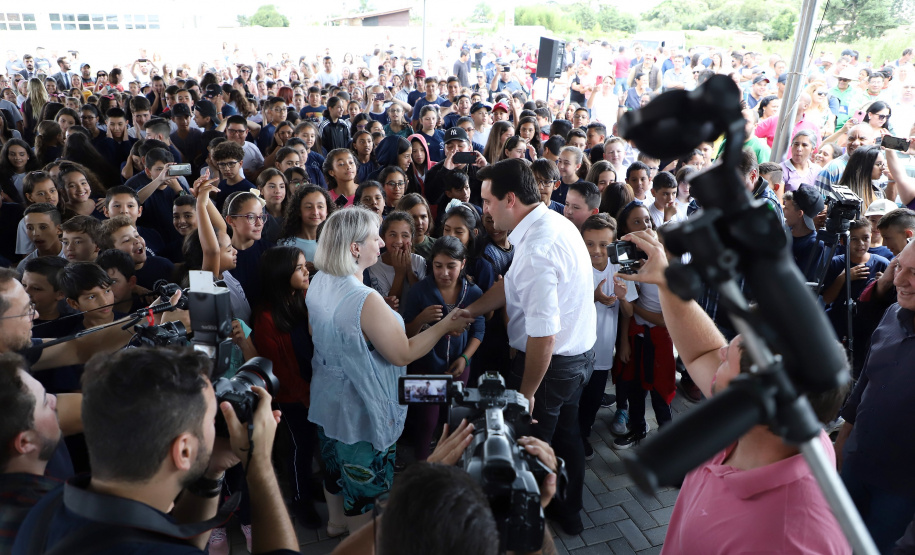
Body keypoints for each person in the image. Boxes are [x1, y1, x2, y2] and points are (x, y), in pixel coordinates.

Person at [614, 229, 850, 555]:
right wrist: (665, 278)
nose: (720, 354)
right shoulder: (761, 420)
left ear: (756, 397)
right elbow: (703, 352)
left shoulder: (797, 540)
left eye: (728, 359)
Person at [11, 347, 300, 555]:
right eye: (211, 417)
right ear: (183, 451)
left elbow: (175, 539)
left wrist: (210, 471)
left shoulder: (48, 509)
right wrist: (259, 465)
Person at [306, 207, 473, 537]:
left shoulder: (320, 279)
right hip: (360, 407)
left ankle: (335, 522)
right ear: (355, 248)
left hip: (328, 396)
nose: (382, 243)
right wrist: (443, 326)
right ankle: (360, 541)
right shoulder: (363, 299)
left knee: (334, 466)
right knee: (362, 488)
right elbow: (403, 353)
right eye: (374, 238)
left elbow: (315, 334)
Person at [454, 157, 596, 535]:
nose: (483, 210)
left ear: (510, 199)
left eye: (487, 201)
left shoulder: (537, 248)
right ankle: (571, 513)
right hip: (579, 356)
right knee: (568, 437)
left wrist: (527, 393)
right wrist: (470, 311)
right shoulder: (546, 224)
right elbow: (511, 285)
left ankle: (530, 526)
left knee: (530, 450)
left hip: (552, 368)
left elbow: (543, 335)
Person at [834, 239, 915, 553]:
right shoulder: (893, 313)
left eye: (914, 272)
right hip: (857, 464)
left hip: (901, 492)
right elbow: (865, 384)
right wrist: (842, 443)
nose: (898, 280)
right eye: (898, 267)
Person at [402, 236, 485, 459]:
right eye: (438, 266)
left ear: (463, 264)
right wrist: (421, 319)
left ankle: (449, 464)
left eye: (452, 266)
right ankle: (421, 466)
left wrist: (465, 359)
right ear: (431, 265)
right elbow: (405, 335)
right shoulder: (419, 291)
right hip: (423, 369)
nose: (444, 273)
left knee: (451, 418)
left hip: (457, 369)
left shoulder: (473, 293)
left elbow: (479, 331)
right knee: (425, 421)